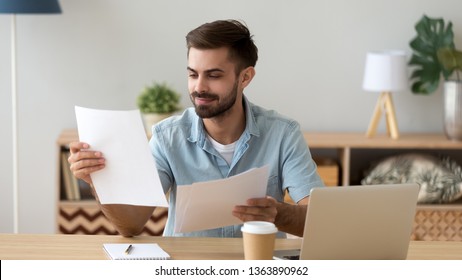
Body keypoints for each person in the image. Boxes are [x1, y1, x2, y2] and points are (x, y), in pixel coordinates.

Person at [68, 19, 324, 238]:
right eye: (193, 74)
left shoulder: (283, 134)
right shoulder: (167, 137)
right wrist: (97, 182)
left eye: (213, 76)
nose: (199, 87)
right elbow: (131, 225)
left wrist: (278, 213)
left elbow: (319, 219)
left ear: (245, 77)